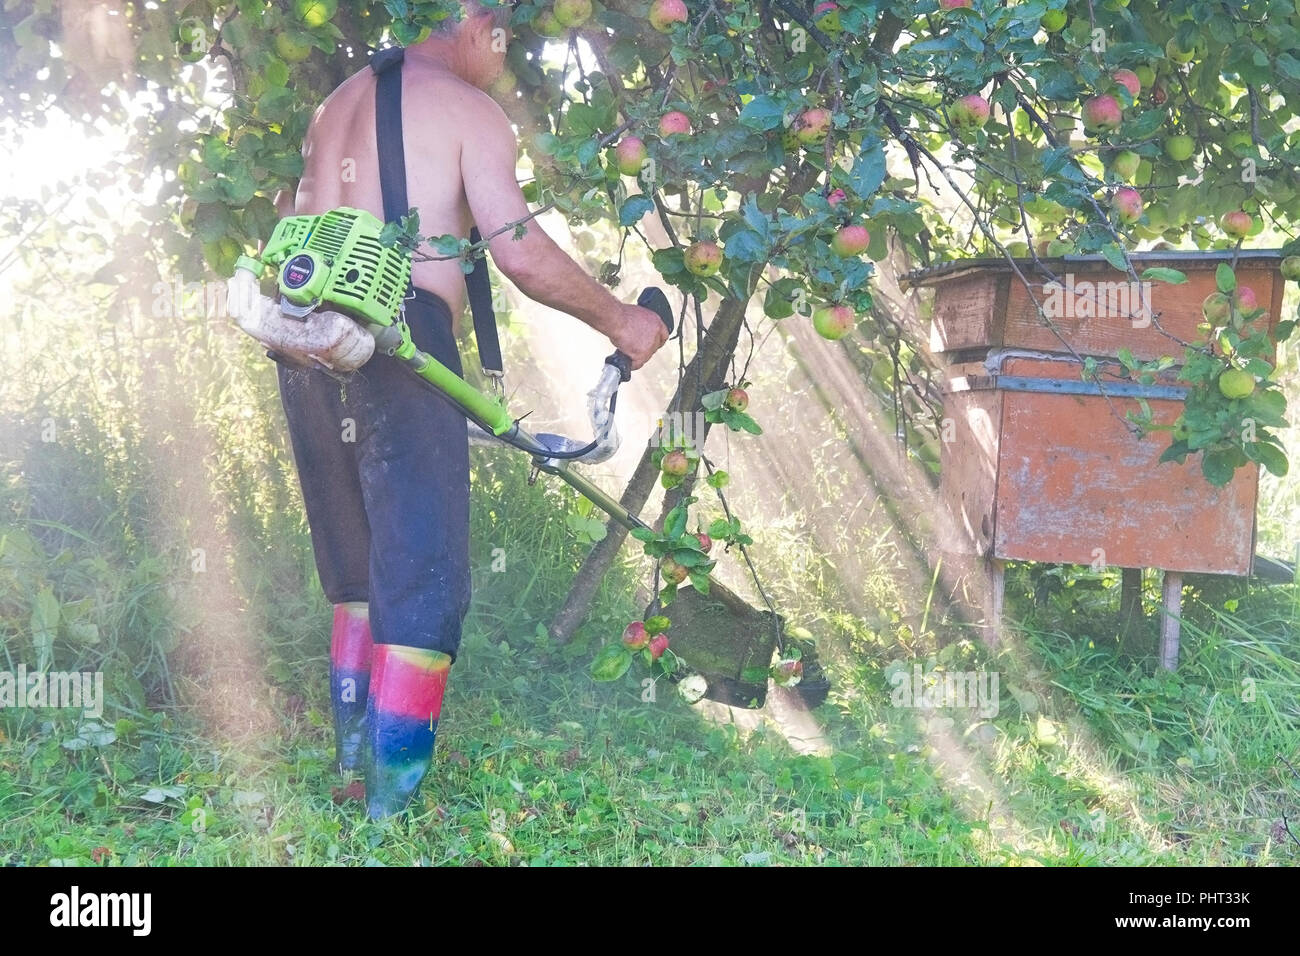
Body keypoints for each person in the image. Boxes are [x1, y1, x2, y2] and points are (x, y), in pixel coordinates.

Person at [273, 2, 669, 819]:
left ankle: (351, 778)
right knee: (422, 581)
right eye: (503, 31)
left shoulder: (336, 102)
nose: (507, 50)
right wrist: (625, 322)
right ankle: (388, 814)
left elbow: (296, 223)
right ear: (468, 18)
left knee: (354, 576)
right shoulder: (466, 109)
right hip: (399, 336)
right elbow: (518, 250)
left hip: (304, 337)